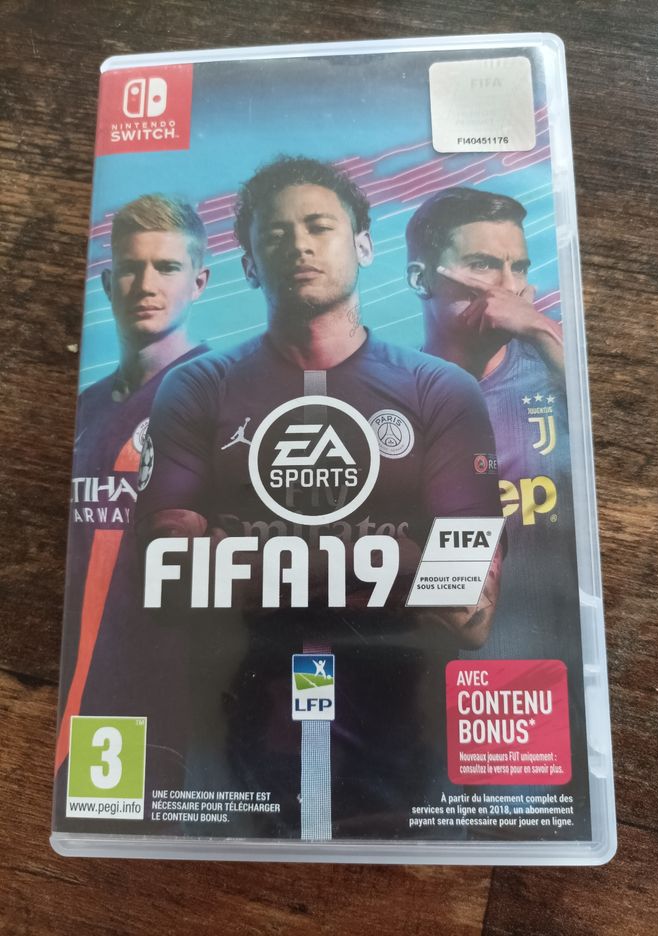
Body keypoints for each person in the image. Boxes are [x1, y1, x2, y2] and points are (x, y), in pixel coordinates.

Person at [136, 157, 505, 839]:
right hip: (239, 758)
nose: (299, 245)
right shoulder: (199, 388)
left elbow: (468, 611)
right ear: (249, 266)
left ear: (363, 244)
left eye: (318, 226)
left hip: (403, 761)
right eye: (276, 234)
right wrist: (392, 559)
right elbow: (174, 578)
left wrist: (245, 557)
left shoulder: (438, 390)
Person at [406, 187, 590, 841]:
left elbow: (631, 454)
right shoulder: (390, 391)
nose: (508, 287)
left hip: (548, 687)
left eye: (520, 267)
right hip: (429, 698)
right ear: (421, 278)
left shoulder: (555, 372)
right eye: (484, 265)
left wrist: (541, 330)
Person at [54, 195, 210, 796]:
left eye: (167, 268)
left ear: (198, 281)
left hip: (173, 706)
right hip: (77, 696)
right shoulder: (84, 408)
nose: (146, 285)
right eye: (129, 267)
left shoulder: (224, 397)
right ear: (106, 282)